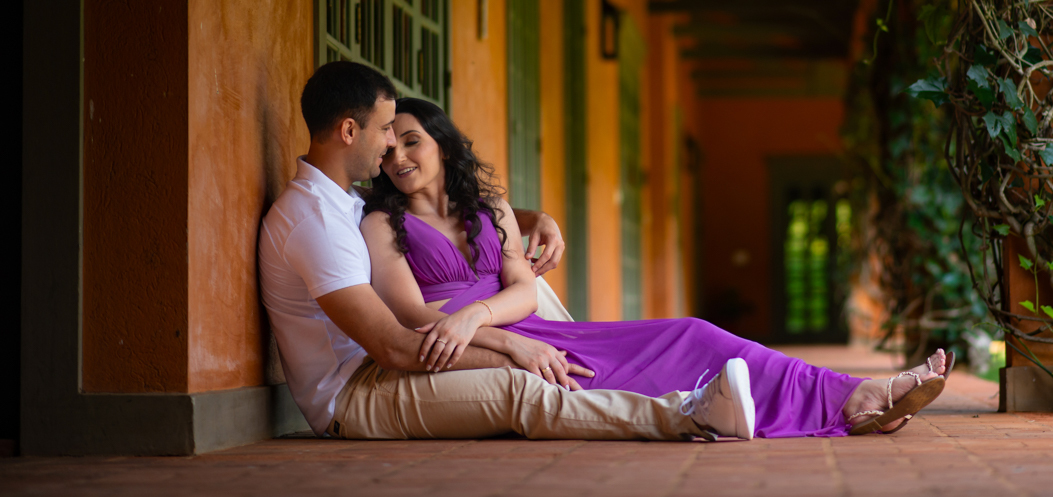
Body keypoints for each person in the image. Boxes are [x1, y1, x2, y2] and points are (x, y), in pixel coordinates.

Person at [360, 97, 949, 439]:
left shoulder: (490, 211)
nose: (401, 158)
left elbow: (524, 291)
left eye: (413, 142)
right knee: (646, 378)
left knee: (692, 334)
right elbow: (412, 314)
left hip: (528, 330)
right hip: (471, 347)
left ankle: (851, 395)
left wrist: (479, 318)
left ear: (443, 144)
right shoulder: (382, 225)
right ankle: (853, 401)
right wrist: (495, 339)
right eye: (389, 151)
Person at [259, 61, 755, 442]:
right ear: (349, 131)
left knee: (534, 313)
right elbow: (393, 344)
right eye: (386, 129)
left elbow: (444, 213)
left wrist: (530, 219)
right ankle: (685, 414)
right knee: (520, 384)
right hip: (352, 399)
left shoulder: (341, 199)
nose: (391, 144)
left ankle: (658, 373)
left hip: (388, 366)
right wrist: (509, 344)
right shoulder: (315, 221)